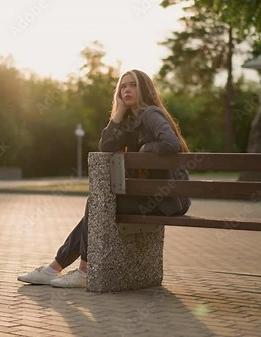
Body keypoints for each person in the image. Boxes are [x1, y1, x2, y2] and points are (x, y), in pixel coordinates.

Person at [17, 69, 191, 288]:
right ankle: (56, 268)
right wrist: (118, 113)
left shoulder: (151, 114)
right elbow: (106, 146)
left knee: (98, 202)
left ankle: (75, 270)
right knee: (97, 204)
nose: (127, 90)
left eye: (133, 85)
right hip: (154, 197)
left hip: (170, 200)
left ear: (144, 89)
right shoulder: (131, 121)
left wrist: (148, 147)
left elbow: (171, 144)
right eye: (123, 86)